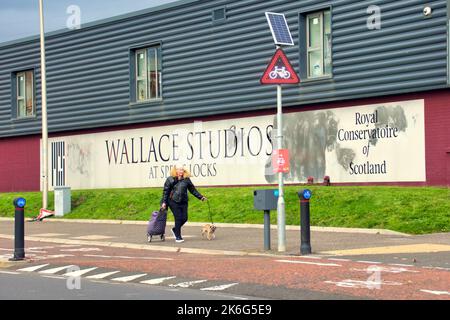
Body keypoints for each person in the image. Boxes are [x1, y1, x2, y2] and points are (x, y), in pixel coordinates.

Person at [161, 164, 207, 243]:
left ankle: (175, 229)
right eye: (179, 170)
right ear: (175, 170)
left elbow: (193, 190)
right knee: (178, 218)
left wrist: (201, 197)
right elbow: (166, 192)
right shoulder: (170, 179)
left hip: (183, 201)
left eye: (182, 170)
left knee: (185, 218)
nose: (181, 171)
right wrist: (164, 202)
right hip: (172, 201)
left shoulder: (186, 179)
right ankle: (178, 236)